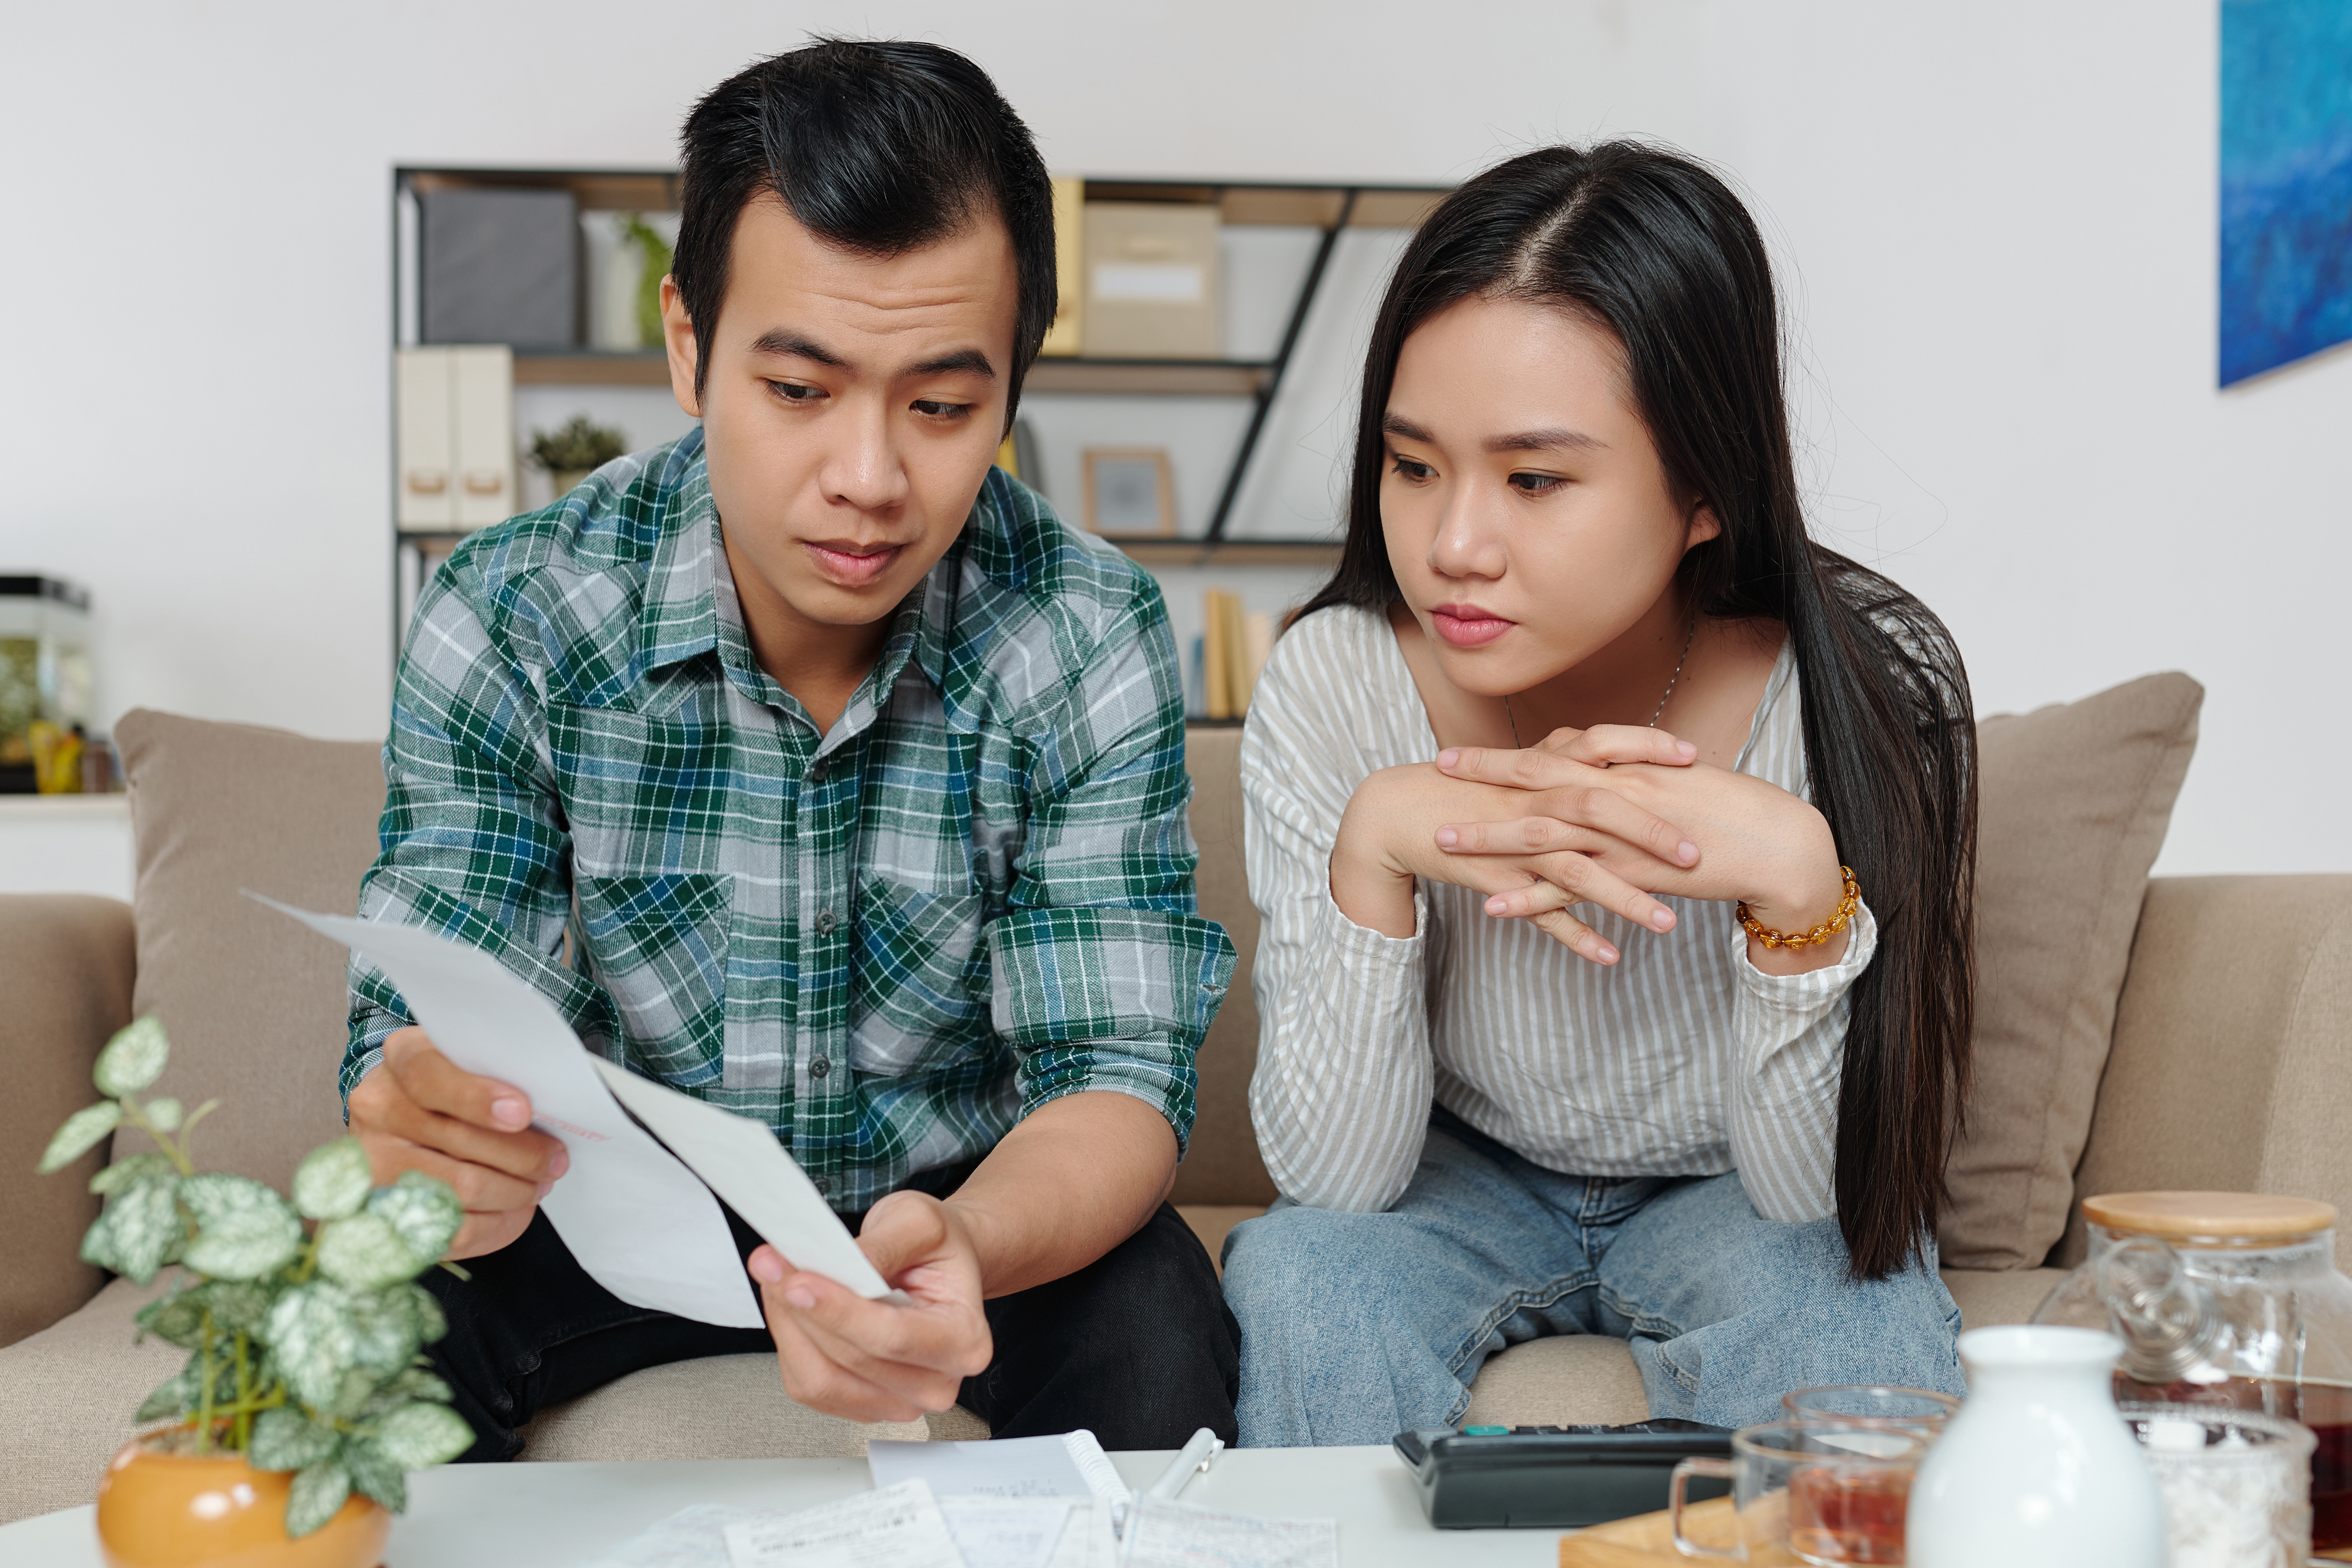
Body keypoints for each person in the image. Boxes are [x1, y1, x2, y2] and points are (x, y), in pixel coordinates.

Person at [341, 39, 1240, 1458]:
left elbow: (1110, 1080)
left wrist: (966, 1236)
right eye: (802, 390)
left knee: (1156, 1321)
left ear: (1012, 384)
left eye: (942, 406)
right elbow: (434, 1019)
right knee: (355, 1331)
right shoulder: (514, 607)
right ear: (690, 347)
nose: (870, 479)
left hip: (955, 1197)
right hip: (601, 1198)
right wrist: (431, 1129)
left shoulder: (1087, 624)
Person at [1220, 143, 1977, 1445]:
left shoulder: (1846, 692)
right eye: (1412, 465)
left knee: (1860, 1317)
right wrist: (1376, 848)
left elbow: (1812, 1200)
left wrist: (1797, 890)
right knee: (1302, 1278)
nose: (1453, 543)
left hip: (1732, 1191)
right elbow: (1337, 1183)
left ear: (1701, 489)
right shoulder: (1332, 683)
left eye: (1533, 479)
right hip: (1457, 1181)